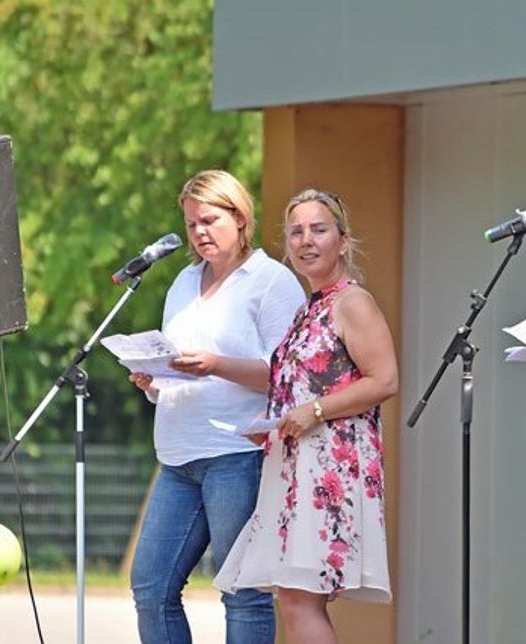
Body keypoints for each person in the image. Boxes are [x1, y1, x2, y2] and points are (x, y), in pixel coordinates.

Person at [128, 169, 305, 643]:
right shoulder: (183, 282)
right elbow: (177, 371)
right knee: (151, 588)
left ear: (240, 216)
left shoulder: (271, 281)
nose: (199, 232)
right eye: (191, 224)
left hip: (237, 454)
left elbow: (287, 374)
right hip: (177, 457)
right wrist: (152, 379)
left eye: (209, 220)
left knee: (242, 592)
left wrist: (216, 365)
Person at [214, 189, 398, 643]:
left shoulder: (351, 303)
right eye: (295, 232)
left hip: (329, 468)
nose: (305, 241)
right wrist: (275, 425)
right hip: (295, 466)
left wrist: (313, 412)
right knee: (293, 596)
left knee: (299, 597)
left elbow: (384, 380)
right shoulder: (308, 309)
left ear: (343, 240)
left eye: (318, 230)